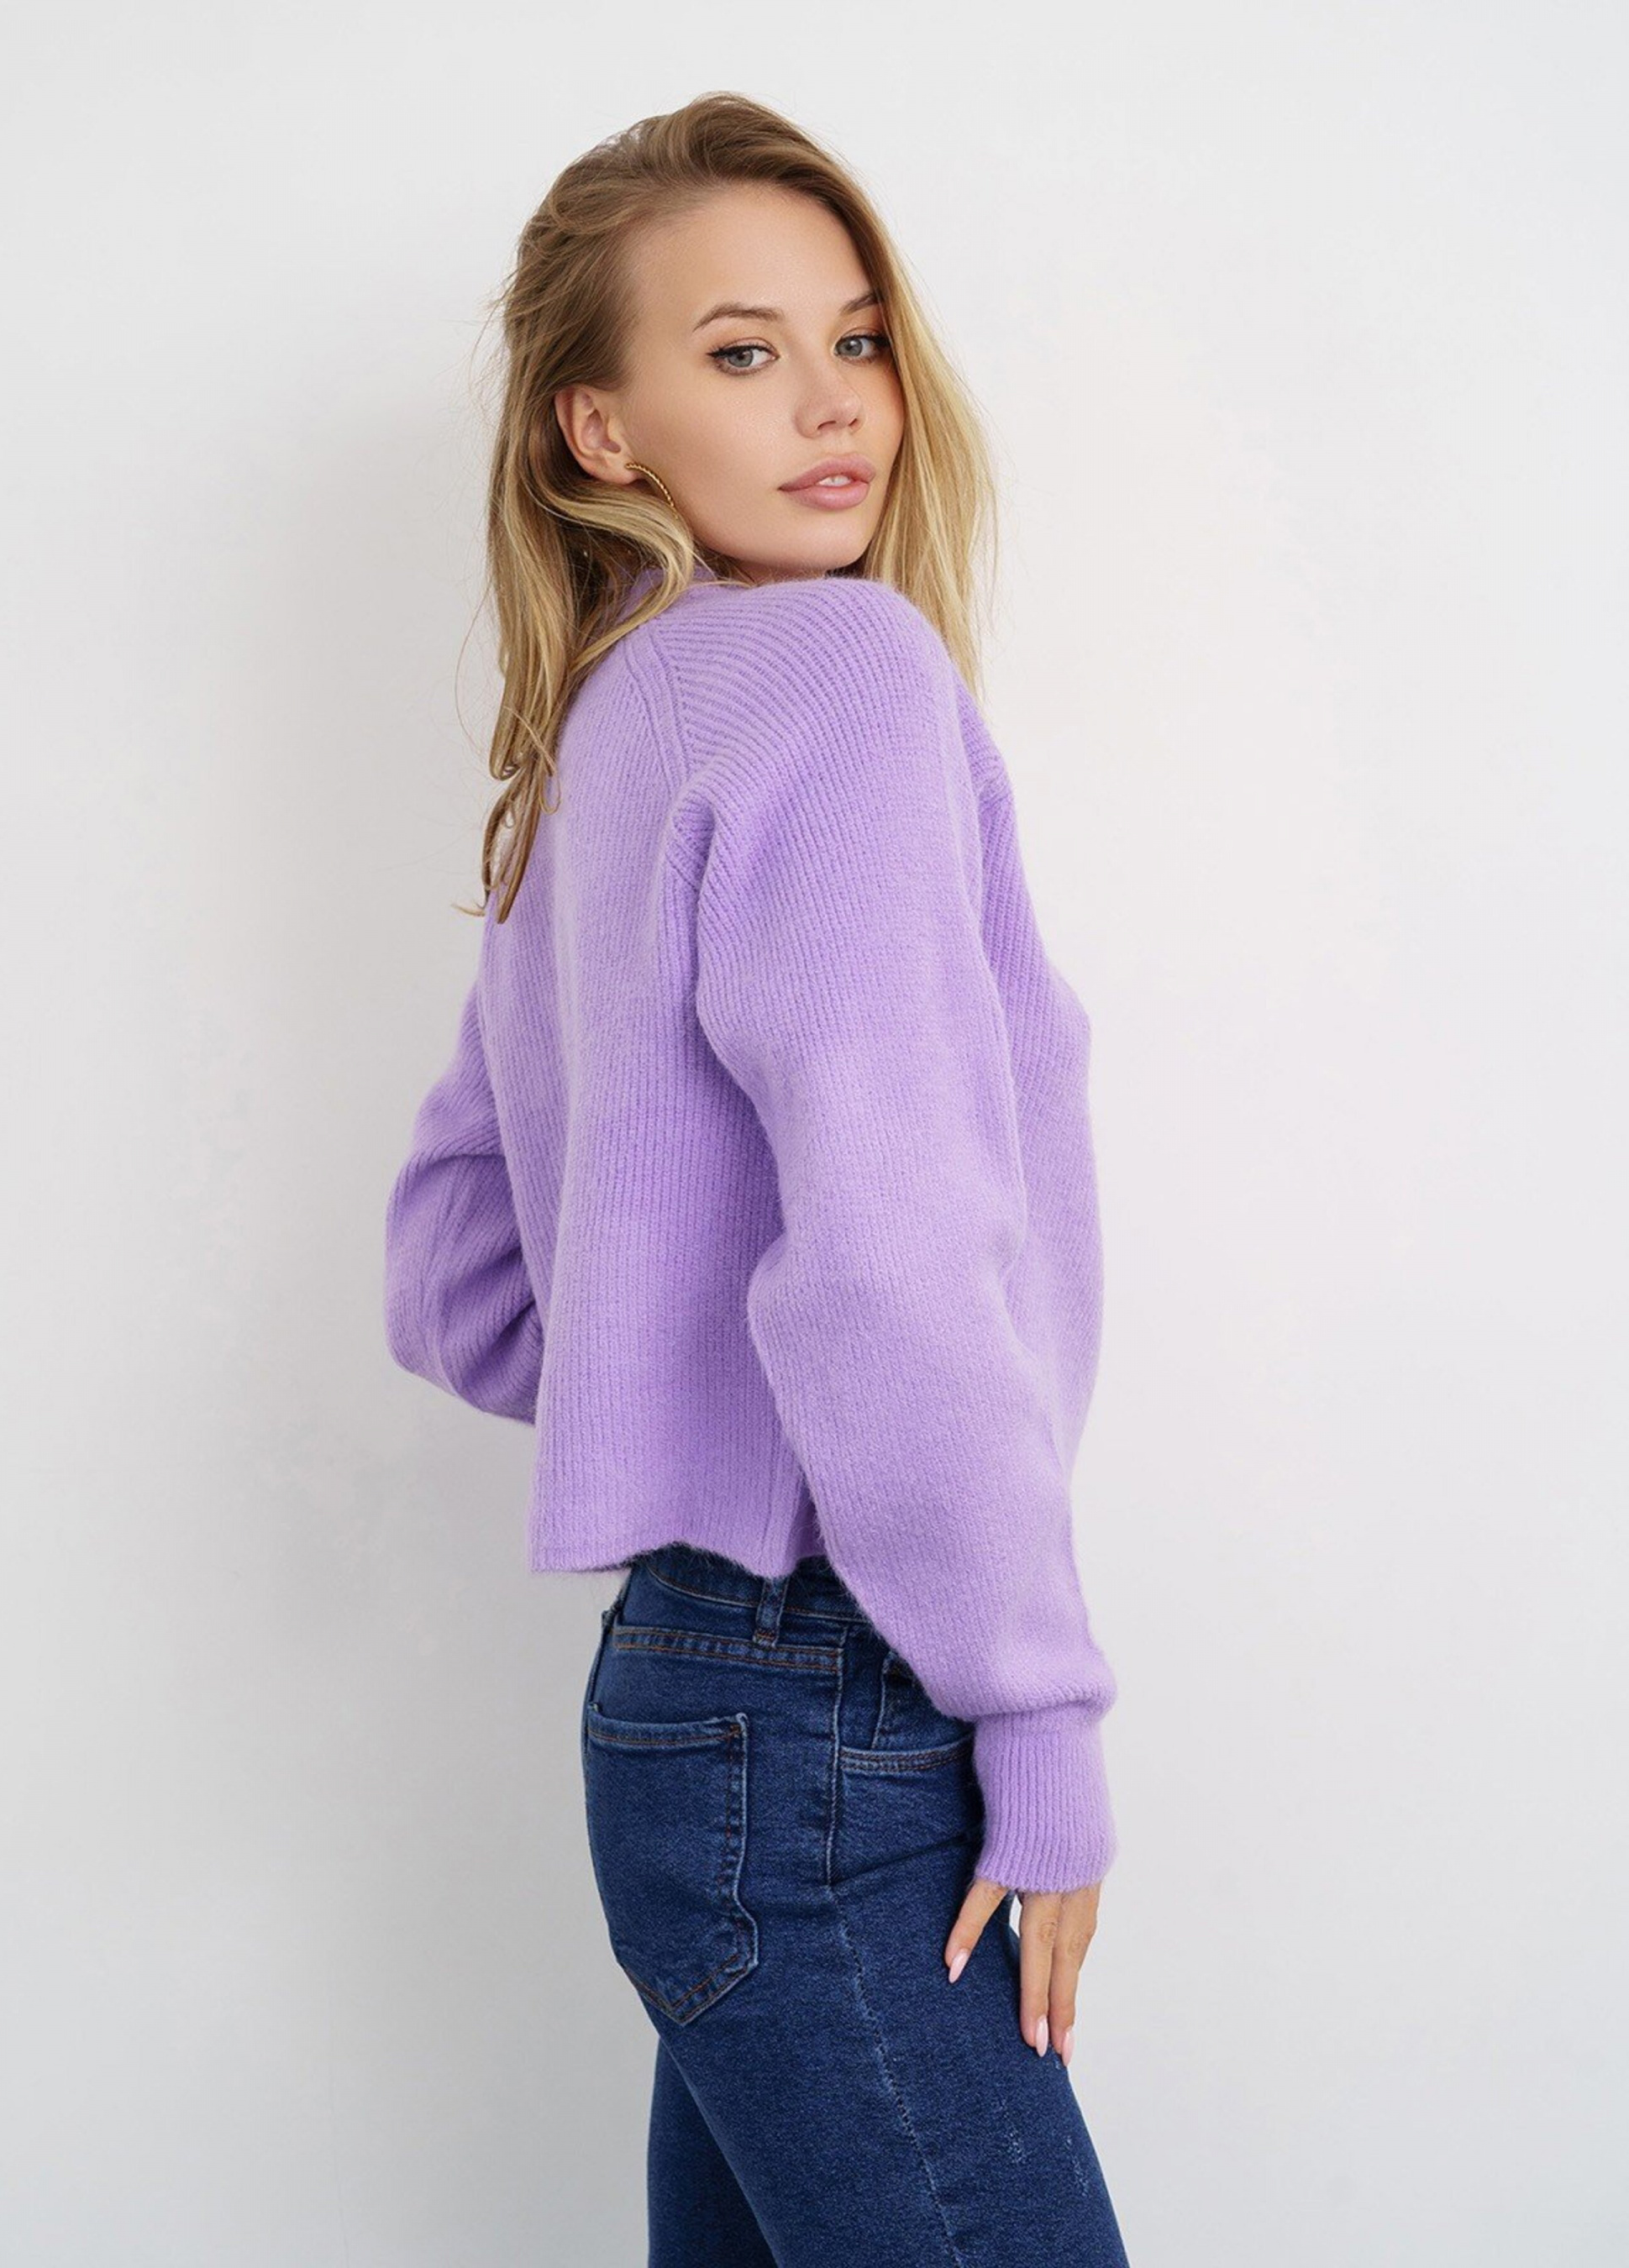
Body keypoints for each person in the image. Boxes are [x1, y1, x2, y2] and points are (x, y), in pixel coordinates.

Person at [383, 92, 1131, 2266]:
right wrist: (1036, 1702)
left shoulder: (605, 734)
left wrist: (680, 1387)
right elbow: (892, 1259)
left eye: (858, 336)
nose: (834, 403)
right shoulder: (844, 674)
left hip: (682, 1712)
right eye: (742, 350)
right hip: (842, 1716)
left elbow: (459, 1272)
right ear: (595, 428)